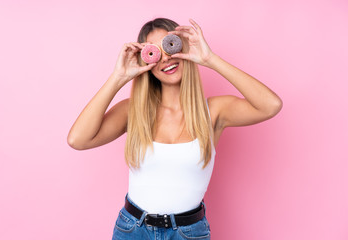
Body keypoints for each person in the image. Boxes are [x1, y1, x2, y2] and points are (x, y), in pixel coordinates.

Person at [67, 17, 282, 240]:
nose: (166, 58)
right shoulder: (133, 111)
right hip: (132, 229)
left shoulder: (214, 111)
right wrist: (118, 77)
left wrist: (210, 59)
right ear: (146, 62)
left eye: (170, 45)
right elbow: (77, 139)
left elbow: (271, 105)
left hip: (188, 232)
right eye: (155, 52)